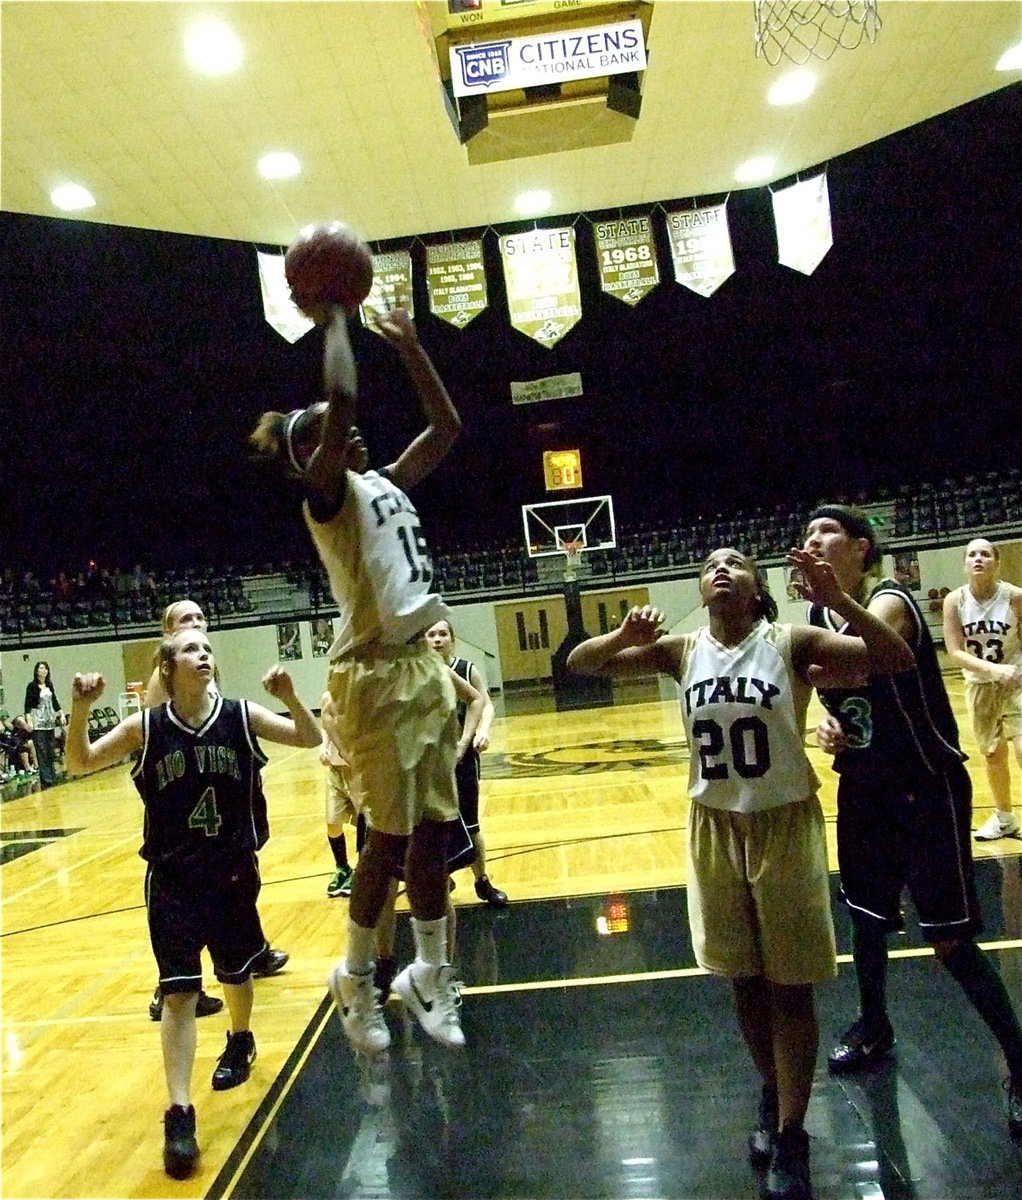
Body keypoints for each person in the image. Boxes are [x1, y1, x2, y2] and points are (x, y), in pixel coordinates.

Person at [567, 545, 914, 1200]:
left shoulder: (790, 639)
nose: (720, 569)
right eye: (708, 565)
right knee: (744, 983)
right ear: (700, 591)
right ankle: (773, 1092)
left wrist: (839, 600)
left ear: (758, 590)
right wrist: (622, 635)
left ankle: (792, 1136)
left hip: (782, 822)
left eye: (736, 563)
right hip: (713, 825)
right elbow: (580, 665)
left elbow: (895, 657)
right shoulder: (681, 650)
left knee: (789, 988)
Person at [249, 298, 465, 1055]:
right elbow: (340, 399)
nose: (347, 435)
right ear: (310, 458)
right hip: (372, 678)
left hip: (419, 667)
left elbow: (447, 430)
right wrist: (336, 315)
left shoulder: (391, 483)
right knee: (388, 837)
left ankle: (430, 973)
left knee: (436, 833)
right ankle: (355, 978)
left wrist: (409, 345)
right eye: (323, 439)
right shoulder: (328, 498)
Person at [64, 630, 321, 1179]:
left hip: (231, 873)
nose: (203, 654)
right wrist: (81, 709)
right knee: (179, 993)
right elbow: (79, 763)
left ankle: (241, 1037)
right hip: (174, 879)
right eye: (190, 649)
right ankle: (179, 1113)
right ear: (167, 665)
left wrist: (293, 697)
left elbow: (311, 737)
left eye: (207, 648)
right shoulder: (146, 727)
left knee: (236, 973)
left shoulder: (241, 715)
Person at [801, 505, 1022, 1141]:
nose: (813, 542)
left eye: (827, 533)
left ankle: (1019, 1061)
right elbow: (835, 687)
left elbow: (871, 660)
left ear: (862, 548)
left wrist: (827, 626)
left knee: (950, 941)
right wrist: (830, 726)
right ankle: (874, 1026)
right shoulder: (818, 615)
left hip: (926, 789)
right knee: (867, 922)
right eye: (807, 535)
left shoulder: (892, 600)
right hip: (866, 789)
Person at [144, 600, 289, 1022]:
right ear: (167, 631)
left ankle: (252, 948)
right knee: (199, 897)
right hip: (187, 809)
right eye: (185, 620)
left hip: (226, 791)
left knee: (241, 873)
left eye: (200, 618)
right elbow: (157, 745)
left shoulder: (205, 668)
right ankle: (170, 988)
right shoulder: (165, 679)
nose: (196, 624)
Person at [942, 537, 1022, 840]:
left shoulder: (1014, 597)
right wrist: (992, 670)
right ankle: (1005, 818)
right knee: (992, 754)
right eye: (972, 554)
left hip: (1016, 681)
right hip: (979, 684)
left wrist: (1011, 671)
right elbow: (954, 650)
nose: (978, 559)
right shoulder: (955, 601)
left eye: (986, 554)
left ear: (997, 563)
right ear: (964, 564)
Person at [425, 618, 508, 906]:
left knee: (471, 824)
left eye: (443, 634)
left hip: (461, 758)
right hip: (429, 763)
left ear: (452, 639)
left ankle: (482, 881)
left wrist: (481, 732)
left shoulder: (465, 670)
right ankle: (440, 876)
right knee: (433, 824)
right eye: (432, 634)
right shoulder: (419, 674)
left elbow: (484, 705)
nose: (437, 639)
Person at [24, 661, 67, 787]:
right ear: (36, 671)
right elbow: (27, 705)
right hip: (38, 722)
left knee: (50, 749)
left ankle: (52, 776)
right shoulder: (31, 686)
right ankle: (46, 778)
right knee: (41, 750)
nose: (43, 670)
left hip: (49, 721)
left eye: (45, 668)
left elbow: (54, 701)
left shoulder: (49, 684)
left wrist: (61, 714)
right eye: (41, 668)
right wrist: (29, 720)